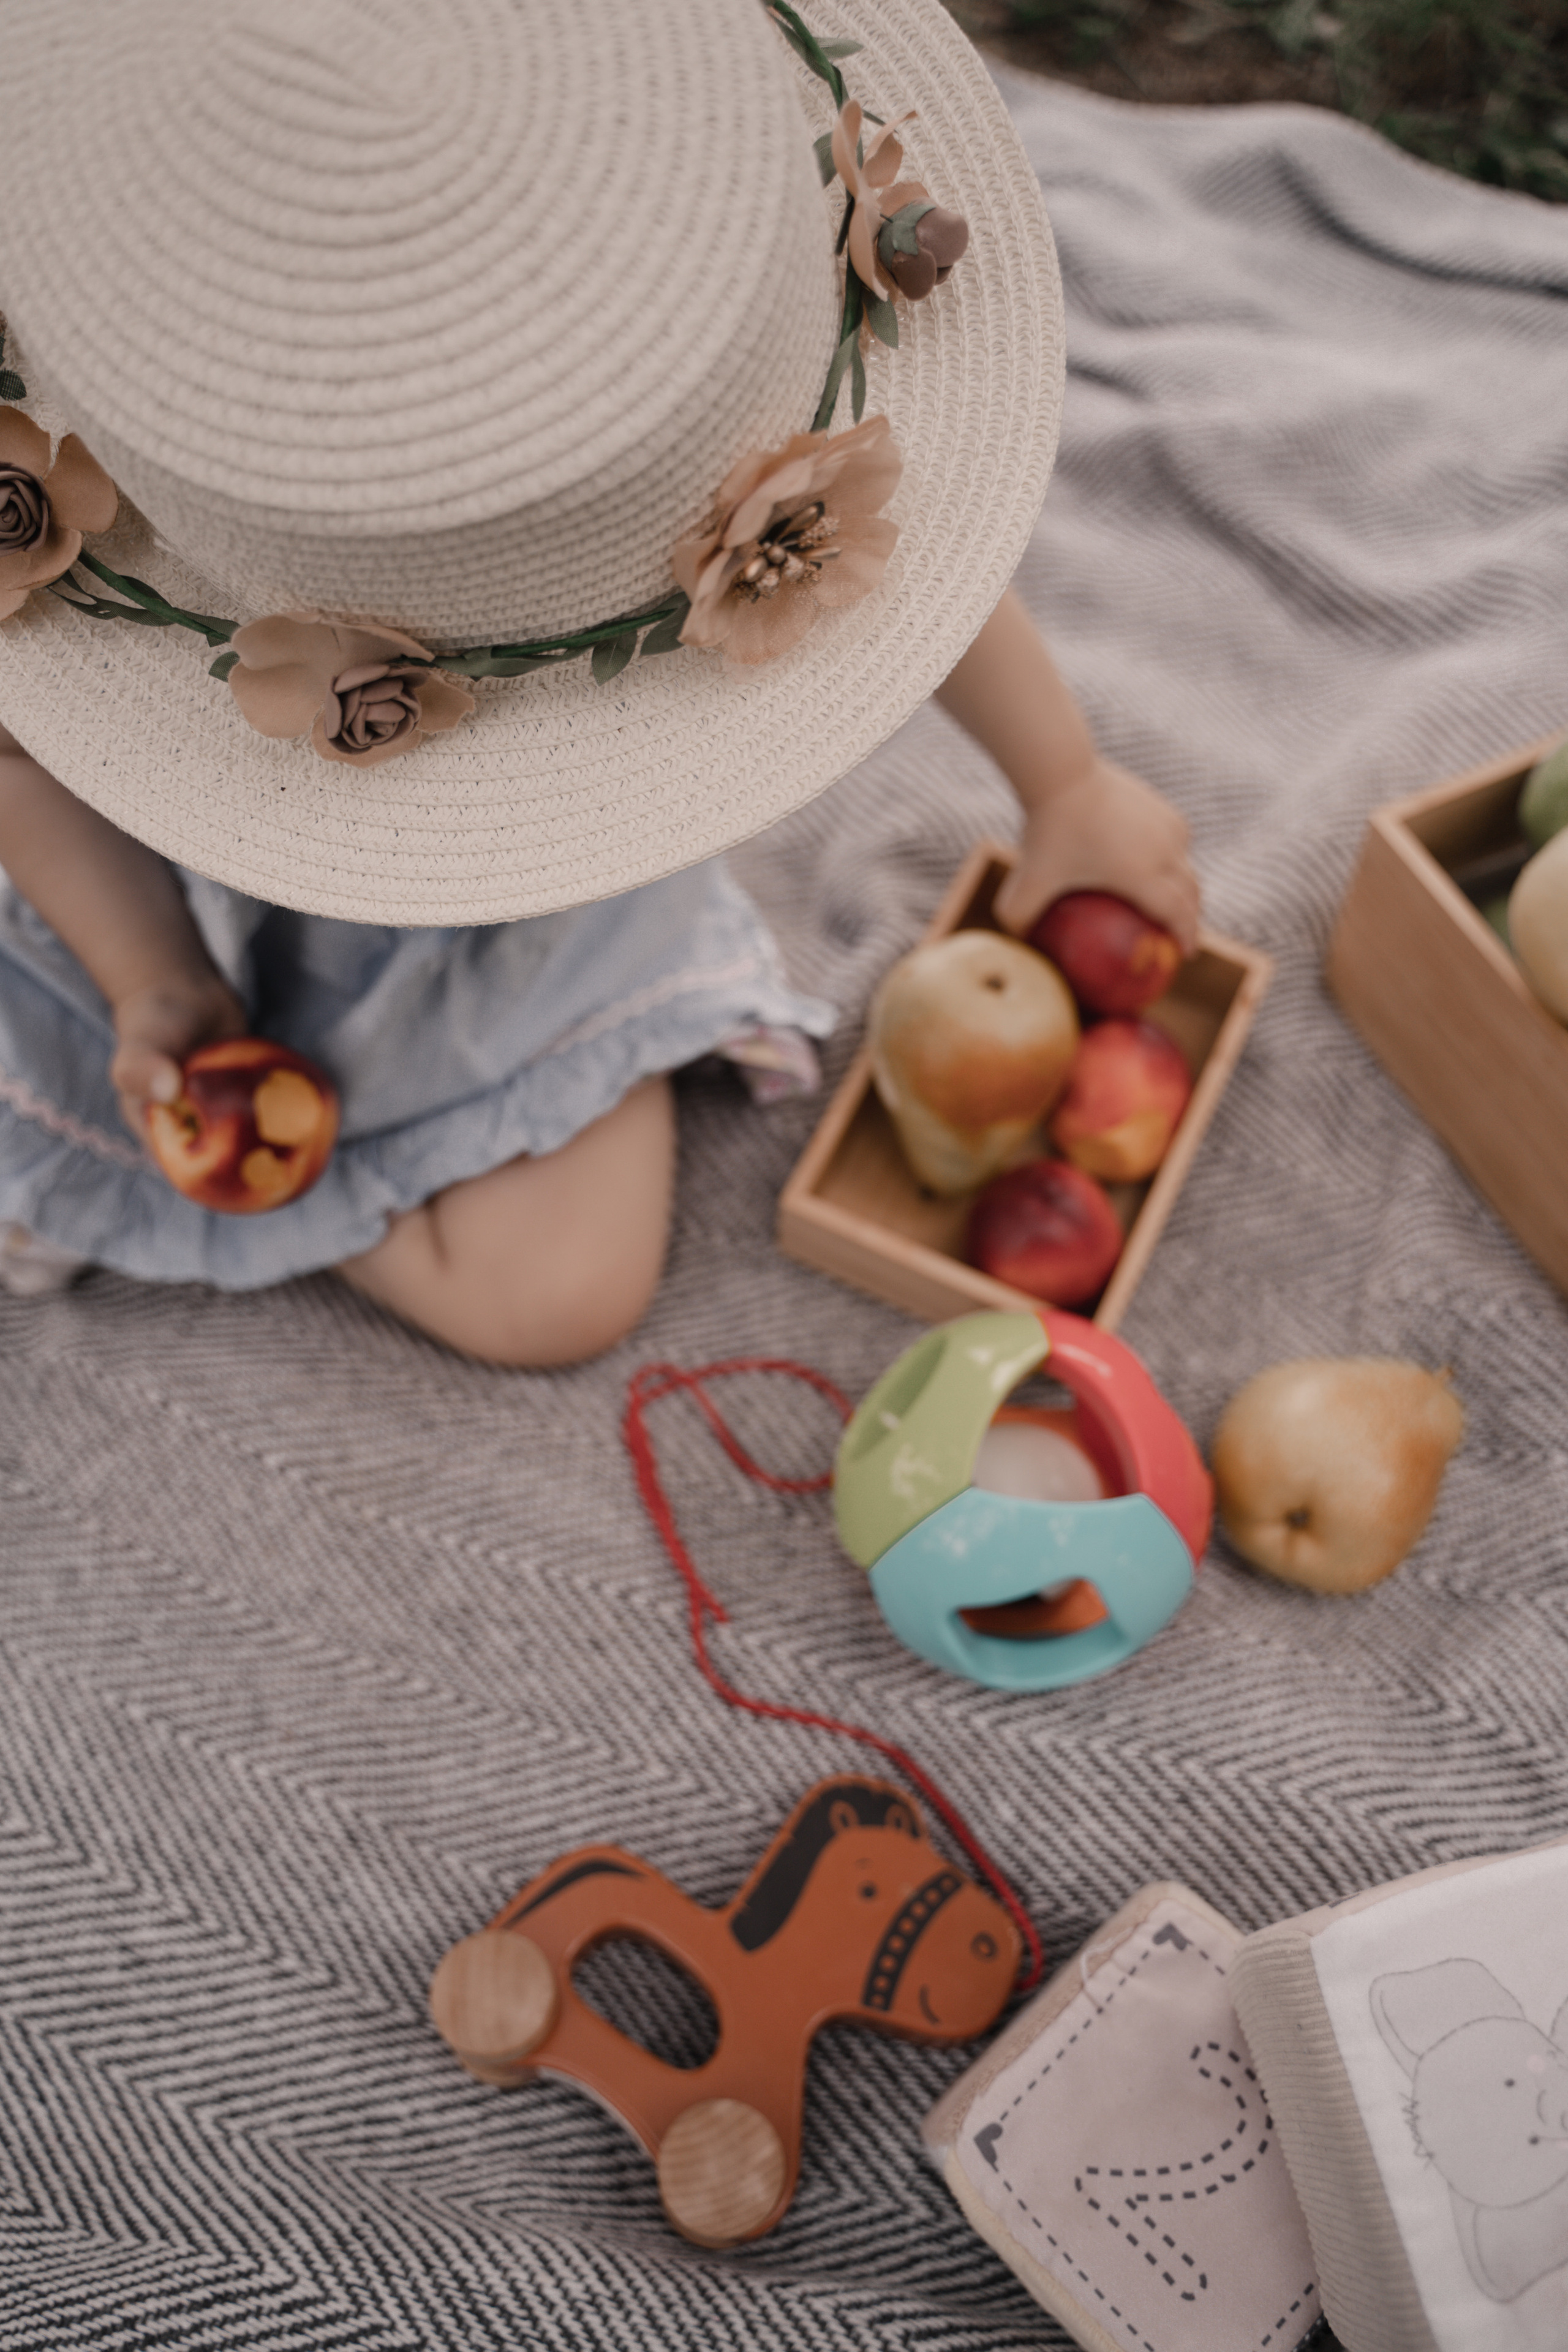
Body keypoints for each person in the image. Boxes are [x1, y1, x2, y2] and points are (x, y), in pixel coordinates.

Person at [0, 0, 1197, 1368]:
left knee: (558, 1296)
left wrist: (1066, 782)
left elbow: (884, 564)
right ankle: (183, 1171)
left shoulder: (666, 359)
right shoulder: (94, 526)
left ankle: (218, 1185)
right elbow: (19, 757)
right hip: (163, 867)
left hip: (533, 928)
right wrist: (150, 977)